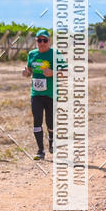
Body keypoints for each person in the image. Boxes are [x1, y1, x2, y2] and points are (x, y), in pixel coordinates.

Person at [22, 29, 66, 160]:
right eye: (39, 40)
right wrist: (26, 73)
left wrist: (53, 72)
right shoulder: (32, 54)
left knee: (50, 122)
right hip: (36, 94)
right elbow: (29, 69)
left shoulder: (55, 54)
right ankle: (40, 150)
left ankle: (52, 141)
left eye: (45, 40)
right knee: (37, 120)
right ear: (36, 41)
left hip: (51, 94)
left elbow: (65, 71)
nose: (42, 43)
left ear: (49, 41)